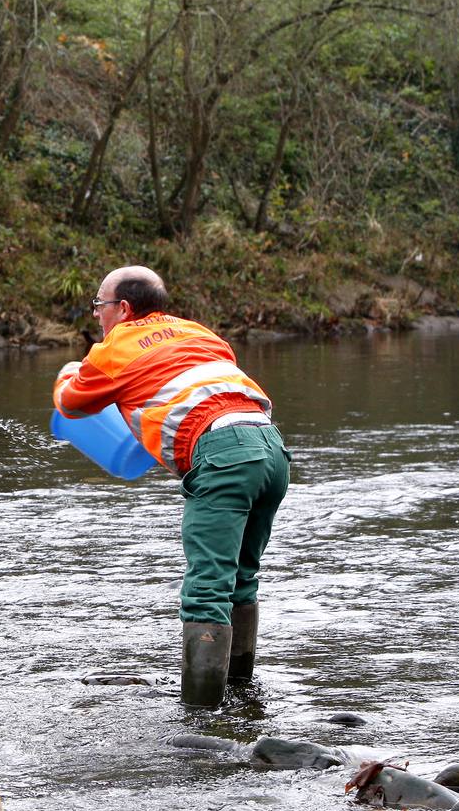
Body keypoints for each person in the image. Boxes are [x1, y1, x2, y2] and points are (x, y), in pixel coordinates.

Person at [53, 265, 290, 707]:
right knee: (241, 579)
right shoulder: (200, 334)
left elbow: (71, 403)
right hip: (271, 448)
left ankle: (202, 719)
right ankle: (241, 693)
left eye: (99, 307)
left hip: (222, 454)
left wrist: (69, 371)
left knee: (206, 590)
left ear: (122, 309)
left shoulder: (113, 348)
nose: (96, 317)